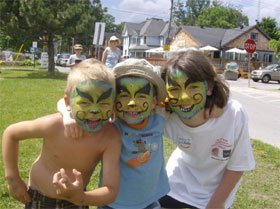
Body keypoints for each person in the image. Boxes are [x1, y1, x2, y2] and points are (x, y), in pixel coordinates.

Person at [2, 59, 122, 208]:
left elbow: (111, 190)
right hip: (38, 198)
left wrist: (81, 198)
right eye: (84, 102)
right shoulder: (54, 125)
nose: (94, 110)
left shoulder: (110, 137)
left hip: (77, 203)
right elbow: (11, 133)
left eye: (104, 103)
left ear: (113, 105)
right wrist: (12, 179)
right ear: (67, 102)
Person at [58, 59, 170, 209]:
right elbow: (64, 100)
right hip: (112, 203)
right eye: (123, 96)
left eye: (141, 96)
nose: (132, 103)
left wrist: (213, 107)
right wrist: (66, 115)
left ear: (154, 101)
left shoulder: (160, 117)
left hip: (150, 201)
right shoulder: (108, 124)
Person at [159, 50, 255, 209]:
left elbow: (238, 165)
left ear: (209, 87)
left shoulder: (233, 114)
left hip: (216, 190)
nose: (184, 97)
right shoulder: (165, 116)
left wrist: (216, 203)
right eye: (174, 89)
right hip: (179, 179)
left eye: (193, 87)